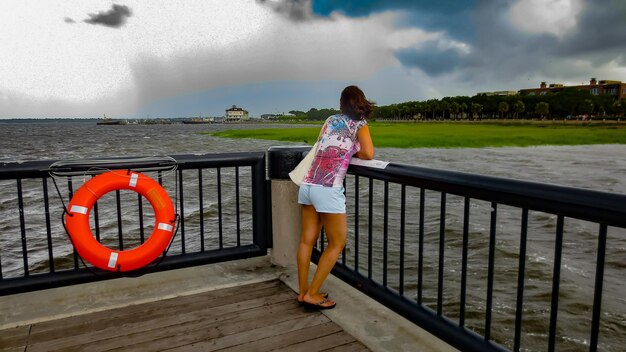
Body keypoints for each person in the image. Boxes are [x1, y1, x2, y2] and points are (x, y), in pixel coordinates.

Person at [296, 85, 375, 310]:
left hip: (308, 183)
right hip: (328, 187)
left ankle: (302, 292)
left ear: (342, 103)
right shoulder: (360, 123)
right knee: (337, 243)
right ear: (361, 101)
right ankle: (312, 294)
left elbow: (323, 143)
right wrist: (355, 148)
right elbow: (368, 154)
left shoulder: (331, 120)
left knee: (306, 240)